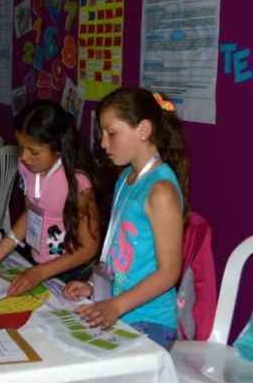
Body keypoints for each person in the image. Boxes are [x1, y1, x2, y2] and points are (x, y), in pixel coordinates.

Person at [64, 87, 188, 350]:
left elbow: (169, 272)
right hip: (118, 307)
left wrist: (116, 306)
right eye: (101, 134)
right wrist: (92, 285)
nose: (103, 144)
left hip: (149, 320)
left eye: (111, 133)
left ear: (143, 130)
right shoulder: (126, 178)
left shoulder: (161, 191)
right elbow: (116, 251)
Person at [0, 100, 104, 296]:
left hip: (72, 272)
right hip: (38, 262)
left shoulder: (78, 183)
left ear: (58, 148)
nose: (24, 157)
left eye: (34, 152)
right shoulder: (26, 168)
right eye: (20, 148)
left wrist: (40, 272)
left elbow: (89, 247)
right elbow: (31, 212)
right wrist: (4, 246)